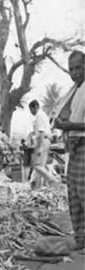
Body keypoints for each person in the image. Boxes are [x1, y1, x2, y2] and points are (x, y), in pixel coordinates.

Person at [53, 50, 85, 252]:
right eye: (71, 69)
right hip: (73, 148)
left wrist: (69, 126)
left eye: (78, 68)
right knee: (73, 195)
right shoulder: (74, 91)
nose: (74, 72)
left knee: (83, 193)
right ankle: (81, 238)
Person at [28, 100, 59, 188]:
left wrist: (40, 147)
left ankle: (51, 179)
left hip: (43, 141)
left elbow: (41, 132)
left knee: (36, 165)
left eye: (31, 110)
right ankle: (37, 185)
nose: (31, 112)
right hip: (46, 140)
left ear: (35, 107)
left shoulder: (39, 116)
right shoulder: (43, 115)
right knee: (40, 165)